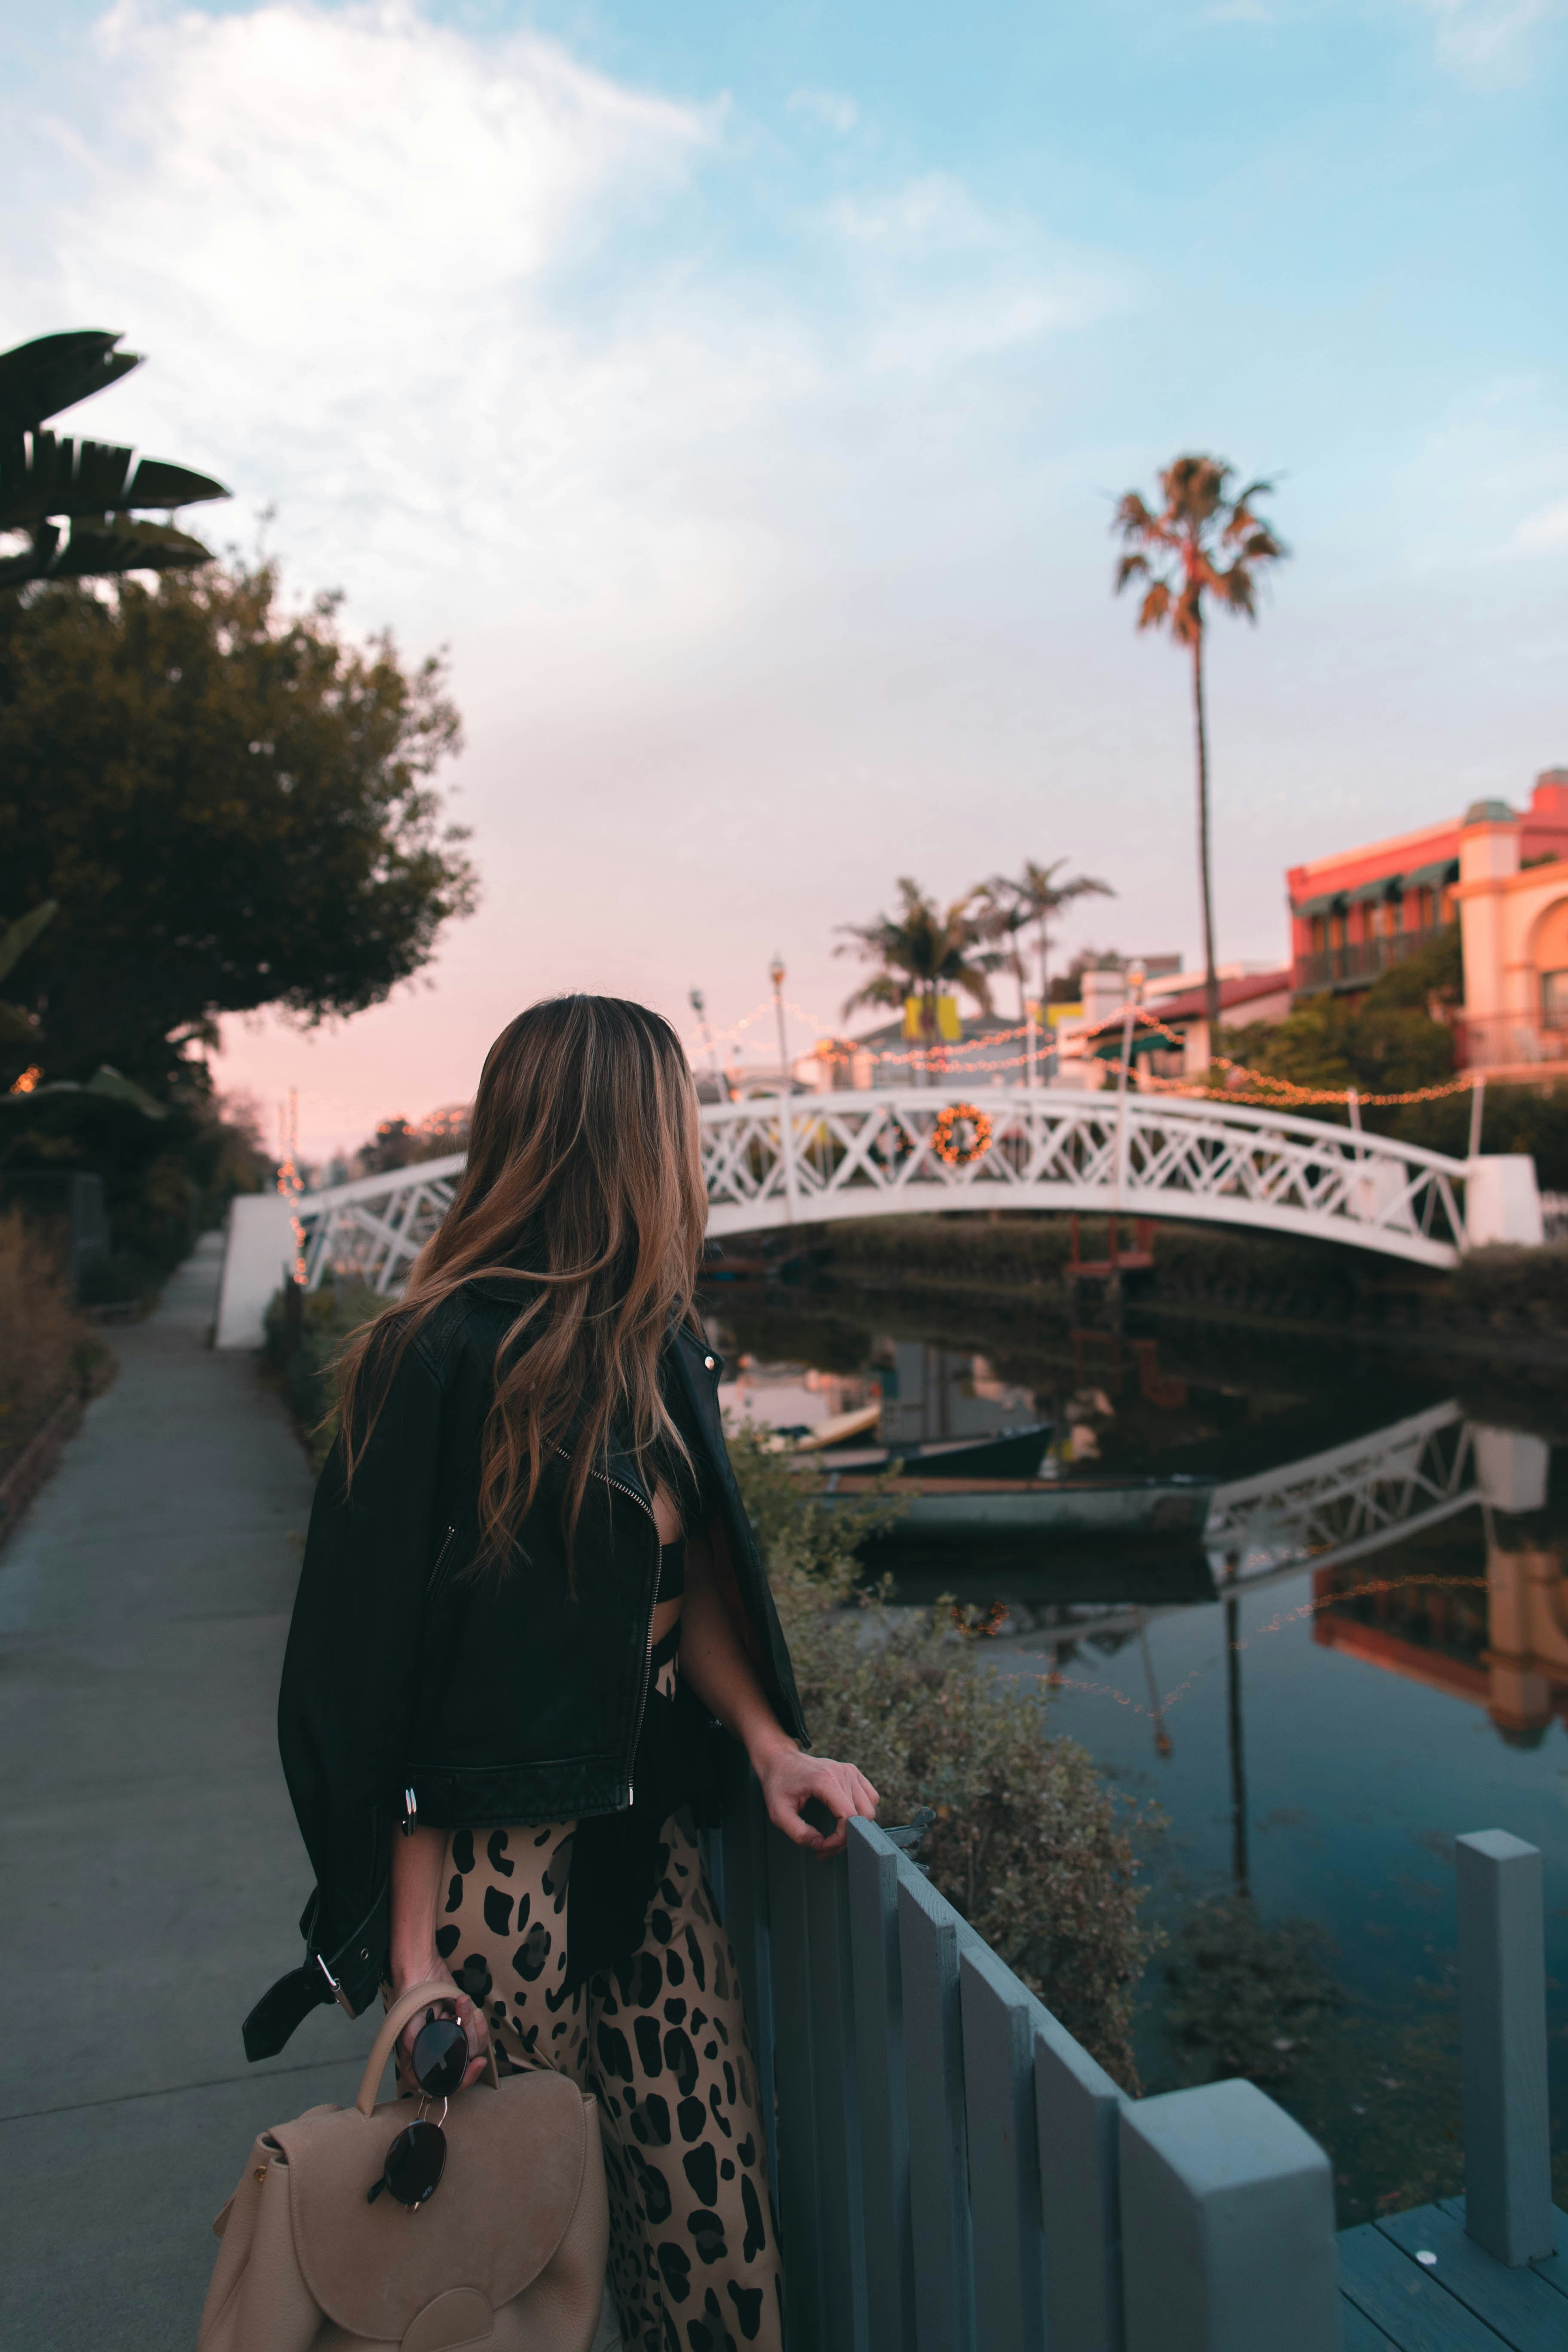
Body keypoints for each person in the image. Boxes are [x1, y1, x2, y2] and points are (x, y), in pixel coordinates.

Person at [245, 994, 879, 2352]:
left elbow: (685, 1592)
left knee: (714, 2241)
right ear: (625, 1143)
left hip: (644, 1860)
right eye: (676, 1119)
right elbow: (371, 1687)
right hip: (490, 1886)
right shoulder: (435, 1360)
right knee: (492, 2275)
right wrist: (414, 1966)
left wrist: (775, 1749)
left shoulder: (659, 1348)